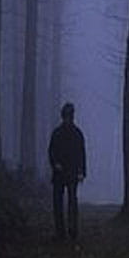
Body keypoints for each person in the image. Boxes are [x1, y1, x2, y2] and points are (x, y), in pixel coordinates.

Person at [48, 102, 86, 241]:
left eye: (70, 116)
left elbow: (82, 154)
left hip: (71, 173)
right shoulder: (58, 133)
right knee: (59, 203)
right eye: (66, 116)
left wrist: (81, 172)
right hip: (60, 173)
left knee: (72, 202)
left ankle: (72, 230)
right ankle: (61, 232)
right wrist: (55, 164)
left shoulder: (77, 134)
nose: (68, 119)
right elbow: (51, 152)